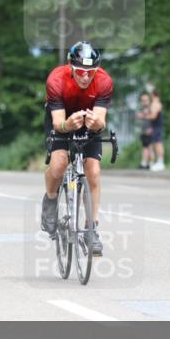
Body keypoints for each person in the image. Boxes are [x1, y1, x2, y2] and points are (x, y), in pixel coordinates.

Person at [41, 41, 113, 256]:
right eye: (80, 71)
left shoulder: (104, 81)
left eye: (90, 72)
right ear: (71, 67)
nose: (85, 77)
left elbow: (101, 120)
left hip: (88, 122)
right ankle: (51, 198)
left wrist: (96, 124)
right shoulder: (56, 79)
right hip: (62, 120)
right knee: (59, 164)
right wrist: (67, 126)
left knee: (93, 171)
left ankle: (91, 229)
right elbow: (58, 123)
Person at [134, 92, 155, 169]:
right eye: (142, 100)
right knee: (145, 147)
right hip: (143, 131)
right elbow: (137, 116)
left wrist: (151, 128)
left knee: (150, 147)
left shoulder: (151, 108)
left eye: (145, 100)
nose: (144, 102)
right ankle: (144, 163)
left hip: (150, 130)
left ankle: (151, 163)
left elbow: (154, 118)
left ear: (149, 100)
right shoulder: (142, 108)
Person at [147, 86, 165, 170]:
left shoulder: (155, 104)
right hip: (155, 126)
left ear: (152, 94)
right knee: (157, 144)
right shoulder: (156, 103)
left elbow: (153, 116)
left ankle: (161, 162)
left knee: (158, 144)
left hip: (157, 126)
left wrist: (144, 116)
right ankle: (159, 162)